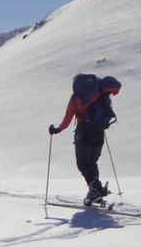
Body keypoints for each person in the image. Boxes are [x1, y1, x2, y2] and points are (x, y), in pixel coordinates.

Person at [49, 75, 121, 205]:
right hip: (99, 131)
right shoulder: (100, 92)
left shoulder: (78, 96)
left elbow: (68, 117)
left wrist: (57, 129)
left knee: (83, 163)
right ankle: (95, 189)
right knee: (92, 162)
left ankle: (95, 189)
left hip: (84, 131)